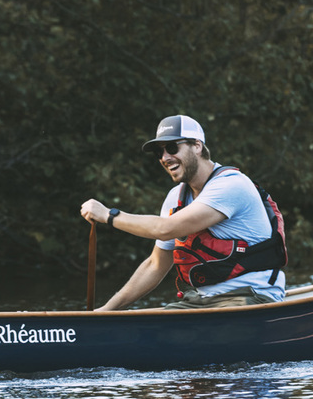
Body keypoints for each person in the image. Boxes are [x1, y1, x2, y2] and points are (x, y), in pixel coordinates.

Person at [80, 115, 286, 311]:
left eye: (172, 148)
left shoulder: (231, 185)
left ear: (197, 146)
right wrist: (105, 311)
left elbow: (165, 229)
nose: (165, 157)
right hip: (202, 301)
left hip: (253, 296)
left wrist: (109, 215)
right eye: (159, 153)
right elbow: (155, 264)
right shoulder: (175, 198)